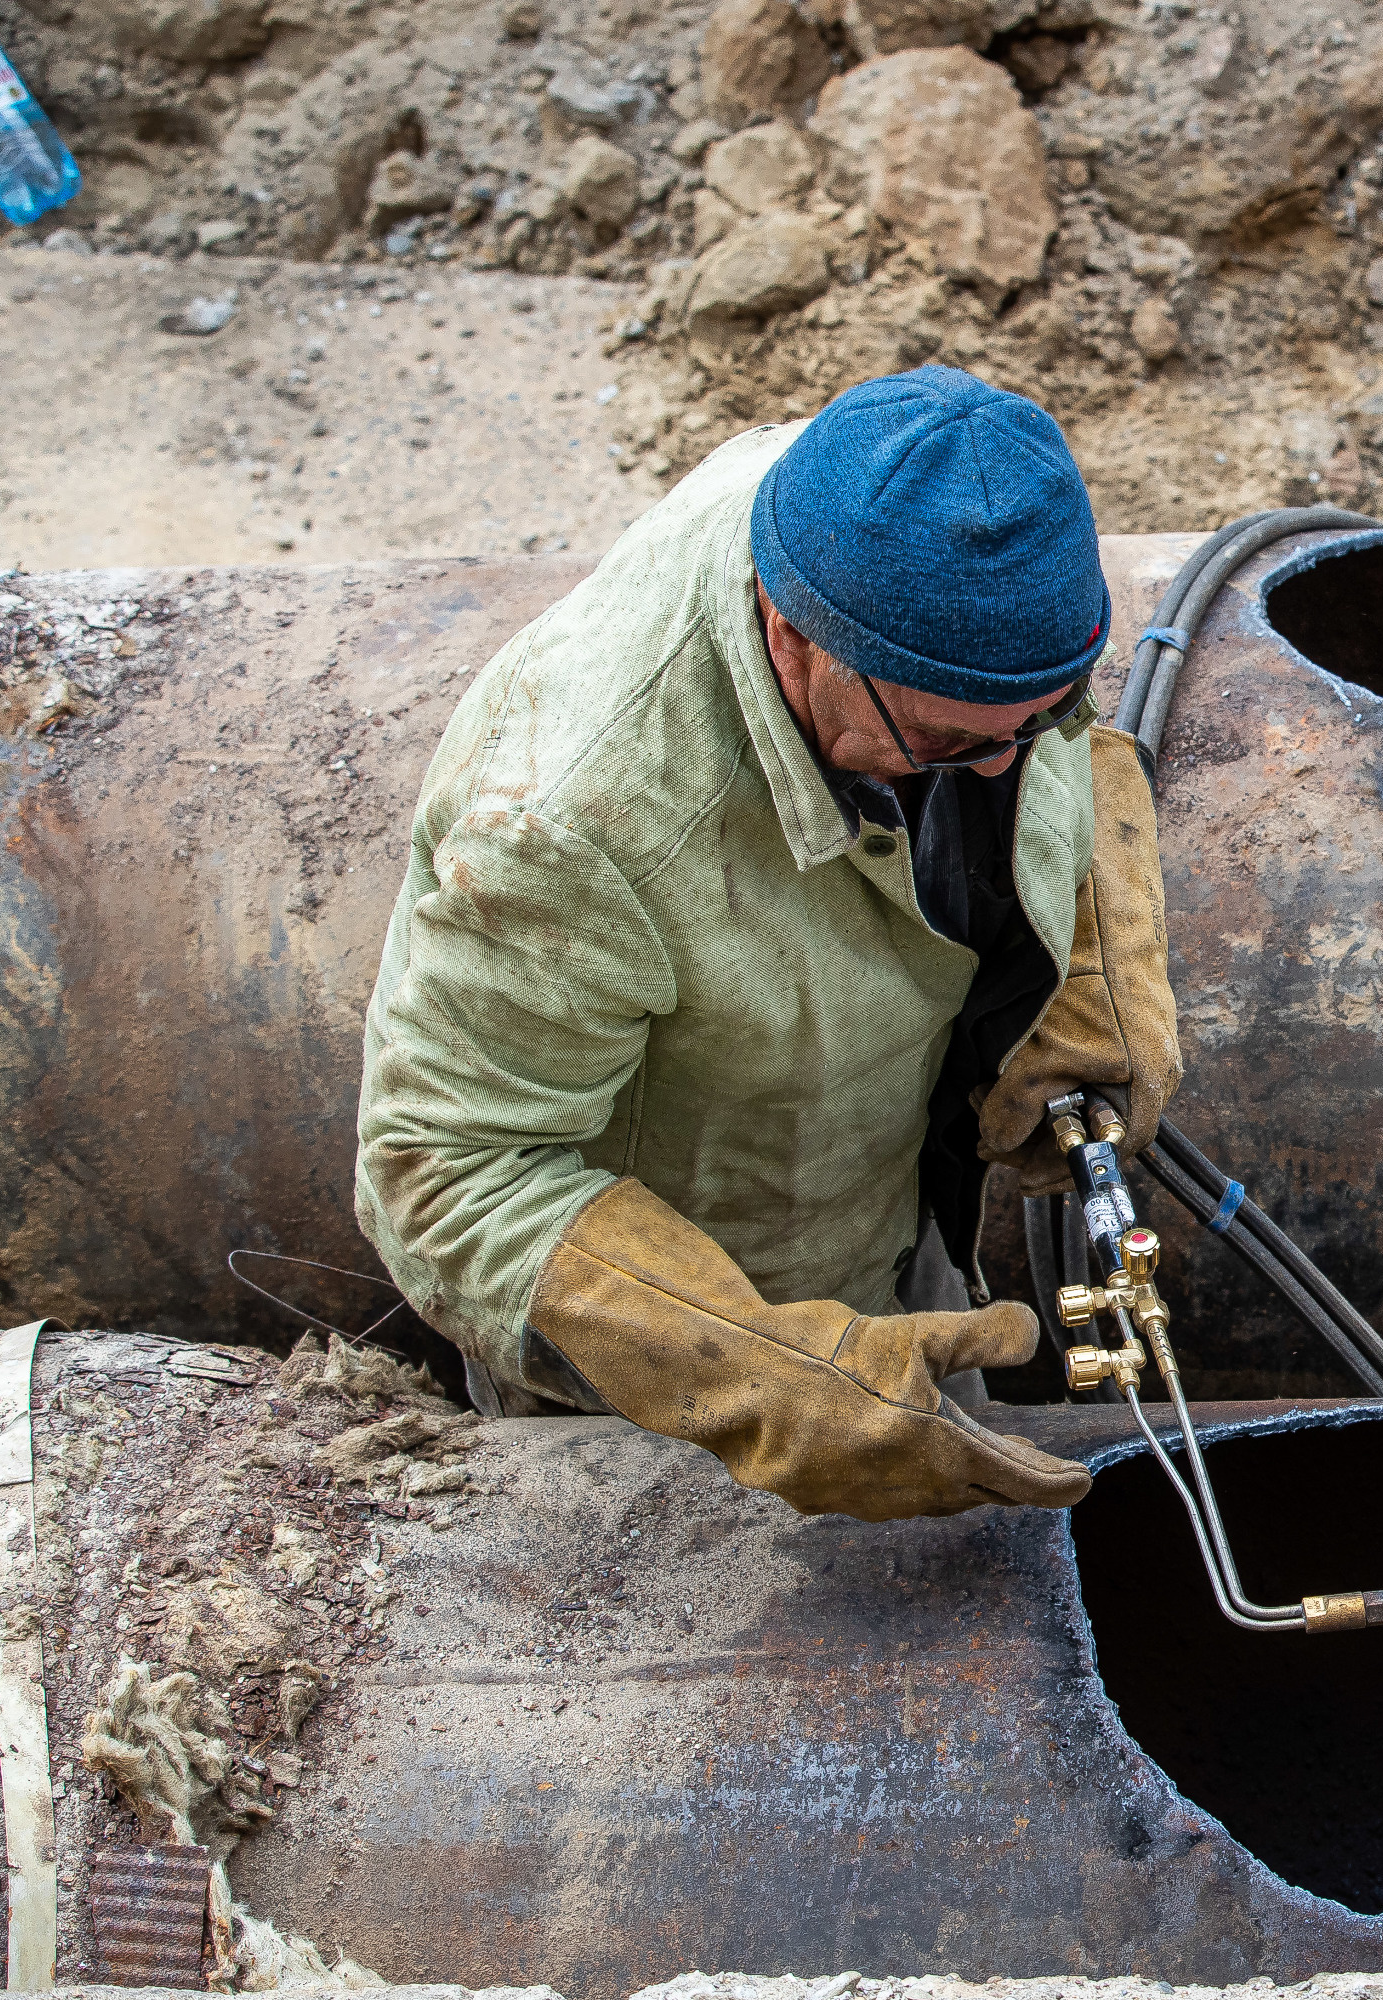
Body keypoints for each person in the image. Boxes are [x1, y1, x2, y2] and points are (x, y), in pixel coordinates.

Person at [353, 367, 1180, 1522]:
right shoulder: (575, 823)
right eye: (947, 738)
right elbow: (446, 1174)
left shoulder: (891, 505)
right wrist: (763, 1380)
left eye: (1038, 717)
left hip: (880, 1202)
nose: (1002, 766)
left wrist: (1096, 940)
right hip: (687, 1348)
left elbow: (1052, 736)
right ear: (794, 633)